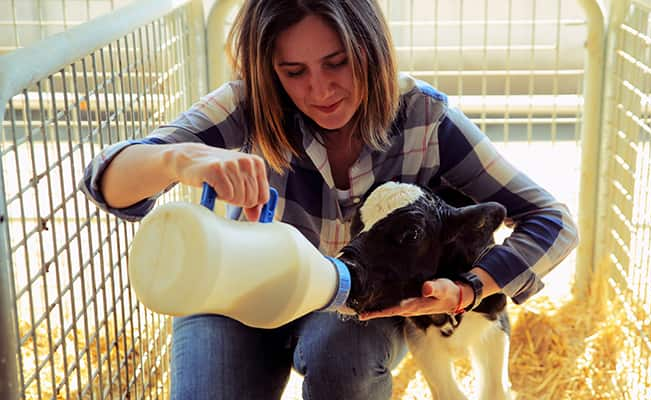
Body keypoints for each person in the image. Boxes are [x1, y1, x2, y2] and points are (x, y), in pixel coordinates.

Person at [80, 0, 579, 399]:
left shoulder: (424, 118)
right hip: (237, 291)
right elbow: (108, 180)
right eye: (293, 71)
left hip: (351, 304)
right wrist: (183, 160)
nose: (320, 90)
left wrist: (470, 289)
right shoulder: (251, 103)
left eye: (337, 63)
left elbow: (552, 219)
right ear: (270, 70)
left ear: (371, 50)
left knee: (347, 361)